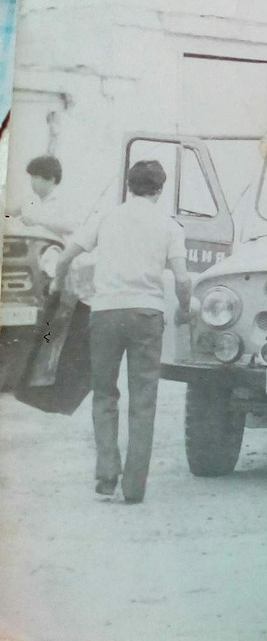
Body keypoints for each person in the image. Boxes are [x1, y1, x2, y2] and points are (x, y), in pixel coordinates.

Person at [52, 160, 192, 504]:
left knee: (104, 394)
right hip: (147, 315)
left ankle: (106, 473)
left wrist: (58, 285)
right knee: (143, 400)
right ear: (160, 189)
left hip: (106, 314)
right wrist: (185, 309)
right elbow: (183, 279)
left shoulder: (106, 217)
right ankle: (134, 488)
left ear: (129, 186)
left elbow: (65, 258)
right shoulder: (169, 225)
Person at [10, 154, 77, 237]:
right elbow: (8, 213)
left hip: (50, 243)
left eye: (36, 177)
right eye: (32, 177)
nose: (32, 182)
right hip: (25, 242)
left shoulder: (64, 201)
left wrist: (38, 221)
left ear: (51, 180)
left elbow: (71, 228)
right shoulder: (28, 200)